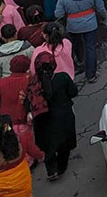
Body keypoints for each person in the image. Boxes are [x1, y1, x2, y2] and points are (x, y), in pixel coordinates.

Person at [0, 58, 45, 169]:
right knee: (26, 140)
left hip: (8, 121)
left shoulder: (1, 83)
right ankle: (28, 161)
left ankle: (14, 159)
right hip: (23, 118)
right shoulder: (30, 80)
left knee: (9, 139)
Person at [32, 51, 78, 181]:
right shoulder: (62, 78)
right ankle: (61, 168)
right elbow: (73, 92)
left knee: (48, 145)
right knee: (64, 145)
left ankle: (51, 170)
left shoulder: (33, 84)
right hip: (63, 115)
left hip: (42, 119)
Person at [54, 0, 105, 83]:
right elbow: (100, 8)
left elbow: (58, 14)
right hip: (90, 25)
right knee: (90, 48)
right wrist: (103, 17)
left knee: (76, 44)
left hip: (73, 26)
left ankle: (80, 61)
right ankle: (91, 75)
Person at [0, 115, 36, 197]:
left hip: (2, 191)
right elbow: (33, 151)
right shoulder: (21, 141)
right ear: (11, 127)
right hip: (23, 185)